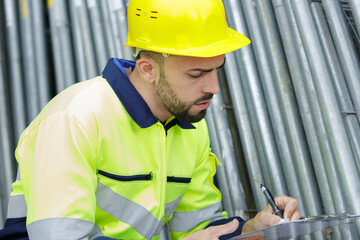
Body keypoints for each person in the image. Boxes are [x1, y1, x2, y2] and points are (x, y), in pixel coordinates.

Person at [0, 0, 301, 239]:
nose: (214, 88)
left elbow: (198, 232)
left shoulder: (190, 127)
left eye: (216, 70)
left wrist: (254, 229)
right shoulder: (74, 120)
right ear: (147, 69)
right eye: (196, 74)